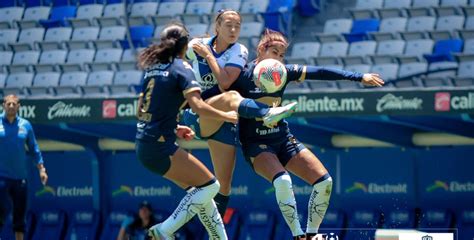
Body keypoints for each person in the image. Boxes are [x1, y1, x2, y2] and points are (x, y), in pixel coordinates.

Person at [224, 29, 385, 240]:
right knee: (283, 181)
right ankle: (298, 236)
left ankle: (311, 235)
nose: (279, 59)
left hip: (282, 139)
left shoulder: (283, 73)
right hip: (256, 145)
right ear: (261, 50)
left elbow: (320, 72)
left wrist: (359, 77)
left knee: (324, 182)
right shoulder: (242, 76)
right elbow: (216, 96)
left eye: (282, 55)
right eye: (275, 52)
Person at [183, 9, 297, 217]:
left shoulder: (239, 51)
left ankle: (213, 233)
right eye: (228, 24)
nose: (233, 29)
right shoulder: (196, 46)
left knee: (222, 185)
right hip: (197, 114)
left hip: (223, 118)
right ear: (217, 27)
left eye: (237, 25)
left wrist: (208, 56)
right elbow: (177, 62)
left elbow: (225, 82)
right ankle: (266, 113)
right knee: (231, 97)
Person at [0, 94, 48, 240]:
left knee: (20, 217)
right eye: (8, 104)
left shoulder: (25, 125)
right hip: (1, 177)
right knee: (0, 212)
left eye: (14, 104)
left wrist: (41, 169)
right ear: (3, 105)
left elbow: (34, 148)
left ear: (19, 106)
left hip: (20, 178)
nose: (11, 106)